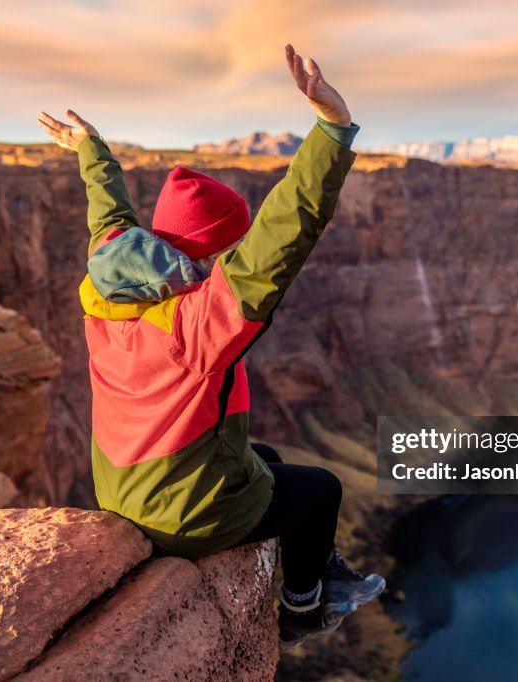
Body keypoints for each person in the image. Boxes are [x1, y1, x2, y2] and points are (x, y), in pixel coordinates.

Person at [36, 43, 384, 649]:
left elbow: (108, 217)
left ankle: (322, 566)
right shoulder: (193, 326)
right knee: (322, 488)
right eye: (228, 248)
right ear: (210, 253)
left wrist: (92, 153)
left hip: (123, 489)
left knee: (268, 456)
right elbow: (285, 234)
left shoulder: (105, 286)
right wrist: (332, 129)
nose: (232, 259)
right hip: (182, 517)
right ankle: (302, 607)